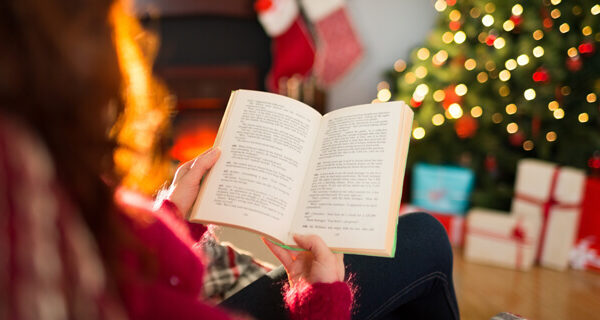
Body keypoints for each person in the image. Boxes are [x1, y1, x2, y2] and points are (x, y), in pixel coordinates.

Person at [0, 0, 459, 319]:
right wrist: (320, 300)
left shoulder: (32, 180)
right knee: (425, 236)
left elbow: (115, 249)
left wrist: (174, 211)